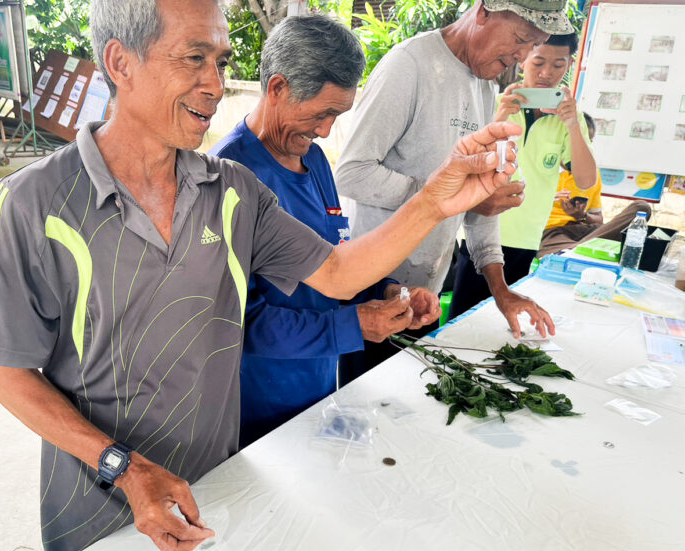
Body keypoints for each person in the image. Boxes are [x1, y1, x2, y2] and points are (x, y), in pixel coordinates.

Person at [0, 0, 524, 551]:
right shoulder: (33, 201)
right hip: (96, 505)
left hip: (219, 487)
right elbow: (7, 372)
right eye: (194, 59)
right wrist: (126, 469)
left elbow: (338, 273)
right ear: (120, 61)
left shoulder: (231, 190)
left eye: (221, 60)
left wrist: (434, 202)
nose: (216, 84)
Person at [210, 15, 441, 449]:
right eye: (322, 113)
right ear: (277, 88)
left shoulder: (314, 161)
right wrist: (350, 327)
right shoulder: (227, 176)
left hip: (318, 391)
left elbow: (336, 260)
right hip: (252, 409)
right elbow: (237, 323)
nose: (325, 130)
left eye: (337, 115)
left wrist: (387, 292)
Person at [335, 0, 569, 338]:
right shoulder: (410, 64)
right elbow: (352, 172)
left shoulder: (486, 87)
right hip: (373, 289)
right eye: (520, 38)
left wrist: (500, 290)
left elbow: (478, 199)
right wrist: (457, 199)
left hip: (424, 294)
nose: (522, 57)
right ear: (484, 12)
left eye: (532, 45)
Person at [448, 32, 597, 317]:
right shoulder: (493, 101)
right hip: (481, 231)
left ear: (569, 66)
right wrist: (499, 117)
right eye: (538, 61)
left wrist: (572, 125)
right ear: (523, 56)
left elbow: (586, 180)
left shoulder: (570, 118)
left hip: (526, 240)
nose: (546, 73)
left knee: (503, 324)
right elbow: (463, 162)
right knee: (462, 320)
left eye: (558, 65)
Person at [538, 114, 651, 258]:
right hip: (554, 232)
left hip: (590, 231)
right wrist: (547, 199)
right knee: (558, 255)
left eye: (588, 143)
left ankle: (578, 251)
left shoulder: (592, 175)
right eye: (578, 143)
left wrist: (583, 216)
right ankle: (578, 251)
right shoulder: (542, 170)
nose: (583, 149)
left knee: (642, 208)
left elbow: (599, 219)